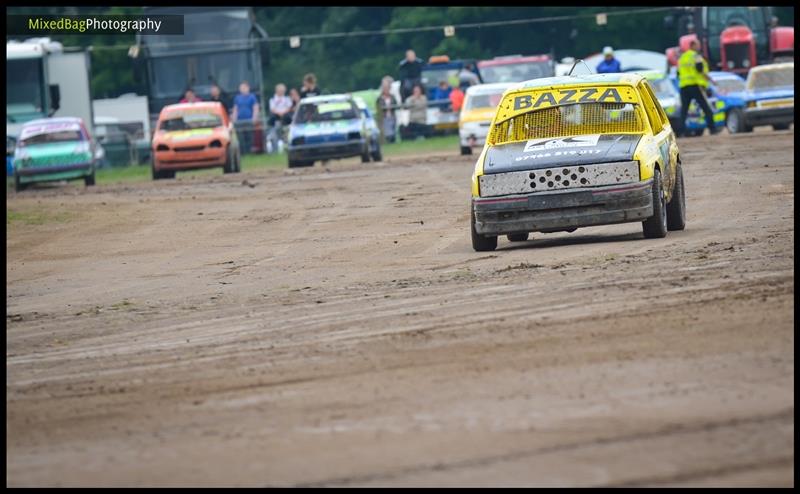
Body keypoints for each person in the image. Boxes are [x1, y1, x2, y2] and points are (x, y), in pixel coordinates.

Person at [677, 39, 718, 136]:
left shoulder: (682, 57)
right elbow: (700, 70)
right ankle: (712, 128)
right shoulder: (696, 56)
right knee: (706, 107)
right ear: (693, 46)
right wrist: (711, 80)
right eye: (698, 45)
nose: (699, 47)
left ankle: (681, 132)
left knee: (684, 110)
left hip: (684, 86)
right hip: (695, 85)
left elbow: (678, 73)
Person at [231, 80, 260, 154]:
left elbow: (255, 108)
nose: (242, 89)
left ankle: (249, 152)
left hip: (249, 120)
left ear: (248, 88)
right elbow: (235, 109)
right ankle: (242, 152)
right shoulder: (237, 98)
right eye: (241, 88)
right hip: (239, 121)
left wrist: (254, 118)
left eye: (243, 87)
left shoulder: (252, 97)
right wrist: (234, 119)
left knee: (249, 137)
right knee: (240, 137)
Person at [375, 76, 398, 144]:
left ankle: (393, 141)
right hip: (384, 117)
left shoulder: (392, 97)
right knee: (386, 131)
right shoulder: (379, 98)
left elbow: (395, 104)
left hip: (392, 116)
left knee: (393, 130)